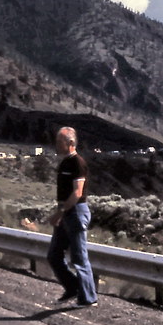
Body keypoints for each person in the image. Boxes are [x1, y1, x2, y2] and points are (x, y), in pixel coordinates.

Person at [46, 126, 97, 307]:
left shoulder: (77, 163)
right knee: (54, 255)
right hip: (66, 212)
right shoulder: (64, 163)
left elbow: (77, 193)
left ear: (71, 143)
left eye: (60, 142)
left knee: (79, 257)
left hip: (75, 212)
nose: (57, 145)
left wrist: (59, 213)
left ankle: (88, 297)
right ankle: (73, 287)